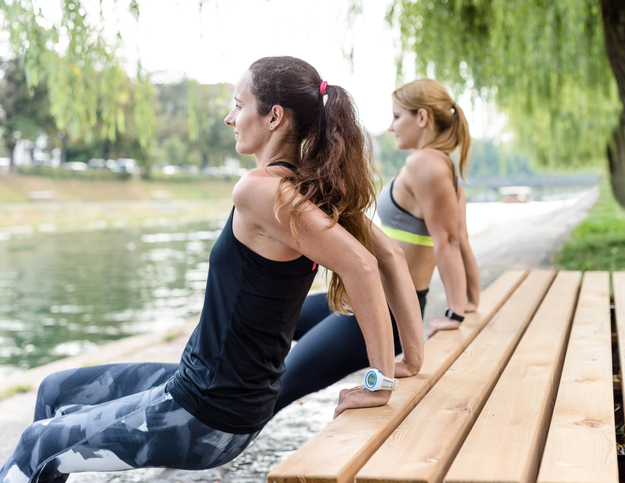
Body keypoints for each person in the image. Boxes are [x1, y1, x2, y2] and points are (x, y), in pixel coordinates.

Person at [0, 56, 424, 483]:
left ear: (274, 117)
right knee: (54, 391)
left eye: (239, 105)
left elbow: (365, 267)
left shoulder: (261, 191)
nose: (229, 117)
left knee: (37, 444)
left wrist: (379, 382)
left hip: (207, 415)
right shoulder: (310, 192)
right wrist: (413, 356)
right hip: (204, 387)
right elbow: (390, 256)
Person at [274, 78, 479, 415]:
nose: (391, 126)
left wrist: (455, 312)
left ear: (422, 118)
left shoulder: (424, 164)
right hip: (366, 298)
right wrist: (470, 300)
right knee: (275, 319)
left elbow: (451, 241)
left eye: (397, 116)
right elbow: (461, 239)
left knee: (281, 387)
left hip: (383, 309)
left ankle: (213, 435)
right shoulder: (440, 165)